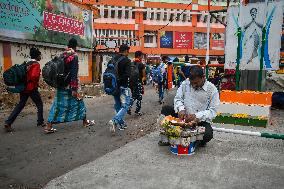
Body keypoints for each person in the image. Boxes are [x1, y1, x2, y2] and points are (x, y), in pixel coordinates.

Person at [158, 66, 220, 146]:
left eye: (196, 83)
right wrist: (181, 109)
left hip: (199, 121)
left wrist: (196, 116)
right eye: (192, 83)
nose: (193, 85)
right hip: (182, 117)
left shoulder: (212, 89)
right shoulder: (185, 83)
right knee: (166, 109)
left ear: (203, 77)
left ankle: (194, 140)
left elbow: (213, 111)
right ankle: (167, 138)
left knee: (208, 134)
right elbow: (178, 98)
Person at [44, 38, 93, 134]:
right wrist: (74, 88)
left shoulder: (63, 55)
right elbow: (74, 73)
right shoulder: (73, 56)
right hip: (70, 85)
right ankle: (85, 122)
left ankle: (49, 125)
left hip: (61, 84)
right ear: (76, 46)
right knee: (79, 102)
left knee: (57, 105)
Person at [4, 48, 45, 132]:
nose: (40, 56)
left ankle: (8, 122)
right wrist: (35, 83)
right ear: (37, 56)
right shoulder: (36, 64)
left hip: (24, 88)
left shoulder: (27, 63)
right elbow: (34, 76)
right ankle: (40, 122)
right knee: (39, 104)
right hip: (31, 88)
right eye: (40, 55)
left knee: (21, 105)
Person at [108, 44, 132, 134]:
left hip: (113, 86)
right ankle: (114, 120)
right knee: (126, 105)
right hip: (123, 86)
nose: (128, 53)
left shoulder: (112, 59)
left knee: (118, 105)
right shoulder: (126, 60)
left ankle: (122, 124)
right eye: (128, 51)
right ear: (125, 51)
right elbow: (127, 75)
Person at [128, 51, 146, 116]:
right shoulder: (141, 64)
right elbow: (144, 76)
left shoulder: (131, 63)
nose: (142, 57)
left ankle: (129, 107)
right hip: (138, 82)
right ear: (139, 56)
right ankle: (137, 111)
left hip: (131, 83)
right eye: (141, 56)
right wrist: (142, 81)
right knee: (139, 97)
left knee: (134, 95)